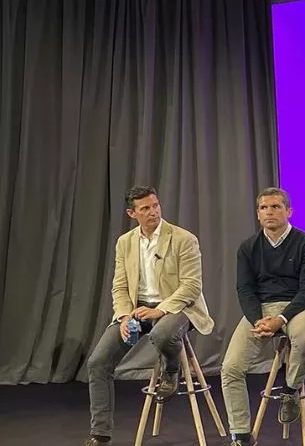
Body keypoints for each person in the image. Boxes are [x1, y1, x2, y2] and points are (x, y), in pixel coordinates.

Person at [84, 186, 214, 446]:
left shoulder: (183, 238)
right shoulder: (125, 242)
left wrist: (161, 309)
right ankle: (100, 434)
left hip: (178, 306)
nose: (153, 211)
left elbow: (191, 286)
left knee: (162, 333)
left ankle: (172, 368)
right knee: (97, 363)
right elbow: (120, 286)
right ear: (132, 213)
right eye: (145, 208)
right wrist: (123, 316)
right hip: (137, 309)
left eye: (155, 205)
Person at [221, 187, 305, 446]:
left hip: (298, 307)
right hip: (262, 310)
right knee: (230, 368)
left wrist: (281, 319)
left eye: (276, 207)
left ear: (289, 211)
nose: (269, 212)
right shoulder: (248, 248)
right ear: (258, 214)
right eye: (264, 208)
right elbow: (245, 290)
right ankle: (241, 435)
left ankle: (290, 389)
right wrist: (257, 319)